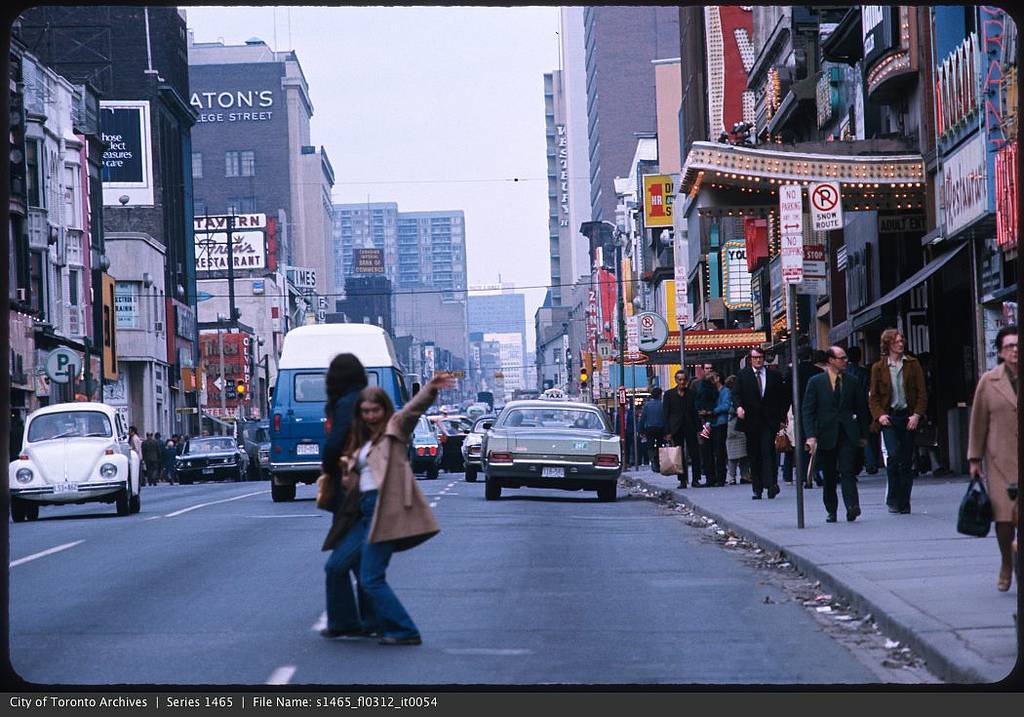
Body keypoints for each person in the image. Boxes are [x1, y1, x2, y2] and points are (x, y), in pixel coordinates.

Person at [322, 372, 457, 646]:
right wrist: (348, 471)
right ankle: (351, 624)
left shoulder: (395, 428)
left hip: (384, 511)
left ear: (384, 409)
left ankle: (404, 629)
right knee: (335, 566)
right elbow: (358, 464)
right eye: (366, 411)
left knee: (371, 577)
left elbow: (413, 410)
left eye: (375, 410)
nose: (371, 416)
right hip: (362, 511)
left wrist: (430, 389)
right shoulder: (362, 438)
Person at [320, 353, 373, 639]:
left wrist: (329, 466)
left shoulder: (345, 404)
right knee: (360, 557)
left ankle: (345, 620)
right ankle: (371, 616)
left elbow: (335, 442)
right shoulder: (366, 398)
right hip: (366, 484)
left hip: (350, 487)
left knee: (341, 559)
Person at [967, 325, 1018, 592]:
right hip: (999, 460)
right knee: (1004, 520)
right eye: (1009, 346)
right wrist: (974, 459)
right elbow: (978, 422)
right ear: (1000, 351)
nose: (1015, 350)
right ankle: (1006, 563)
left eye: (1018, 345)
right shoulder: (989, 381)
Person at [802, 346, 870, 523]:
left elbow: (862, 409)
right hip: (825, 434)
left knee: (847, 470)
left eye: (845, 358)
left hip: (848, 432)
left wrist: (864, 434)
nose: (845, 361)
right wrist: (810, 435)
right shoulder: (816, 382)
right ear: (831, 360)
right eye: (841, 358)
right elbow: (808, 411)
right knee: (830, 474)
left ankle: (852, 506)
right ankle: (831, 510)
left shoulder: (852, 381)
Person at [868, 328, 928, 515]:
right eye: (896, 341)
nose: (901, 344)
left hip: (907, 416)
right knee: (893, 456)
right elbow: (874, 397)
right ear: (888, 345)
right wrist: (880, 415)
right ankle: (893, 498)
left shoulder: (912, 364)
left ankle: (905, 501)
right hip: (890, 418)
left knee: (906, 460)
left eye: (902, 340)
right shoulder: (879, 367)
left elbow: (922, 392)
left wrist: (917, 415)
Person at [733, 347, 787, 500]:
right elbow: (736, 394)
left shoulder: (774, 375)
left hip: (769, 421)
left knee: (768, 451)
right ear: (750, 359)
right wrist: (739, 407)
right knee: (754, 454)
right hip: (750, 421)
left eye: (760, 357)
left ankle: (771, 485)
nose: (758, 360)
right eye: (755, 357)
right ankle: (757, 488)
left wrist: (781, 418)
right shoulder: (743, 375)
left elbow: (783, 397)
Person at [662, 369, 700, 488]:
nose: (682, 382)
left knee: (694, 453)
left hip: (690, 426)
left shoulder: (692, 394)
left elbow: (696, 412)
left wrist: (699, 429)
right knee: (679, 455)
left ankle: (695, 479)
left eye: (684, 379)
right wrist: (667, 431)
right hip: (676, 428)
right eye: (680, 380)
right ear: (676, 380)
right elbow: (666, 414)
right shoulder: (669, 395)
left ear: (687, 380)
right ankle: (682, 480)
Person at [695, 364, 719, 486]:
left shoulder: (705, 388)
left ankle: (712, 477)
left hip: (707, 422)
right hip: (708, 422)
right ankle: (714, 476)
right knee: (710, 449)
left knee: (709, 449)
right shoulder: (711, 389)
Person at [724, 376, 749, 485]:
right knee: (742, 454)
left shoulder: (728, 394)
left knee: (733, 454)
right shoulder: (736, 396)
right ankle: (744, 475)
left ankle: (733, 477)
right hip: (739, 425)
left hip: (733, 426)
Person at [708, 371, 730, 486]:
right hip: (708, 424)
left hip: (720, 423)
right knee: (708, 451)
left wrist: (713, 411)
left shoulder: (725, 391)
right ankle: (711, 477)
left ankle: (721, 477)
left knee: (720, 451)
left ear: (717, 378)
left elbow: (726, 405)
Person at [639, 387, 665, 472]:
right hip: (660, 428)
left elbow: (642, 418)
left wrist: (641, 430)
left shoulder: (647, 405)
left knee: (650, 445)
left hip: (649, 428)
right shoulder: (662, 405)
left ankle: (652, 459)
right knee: (660, 445)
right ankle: (658, 461)